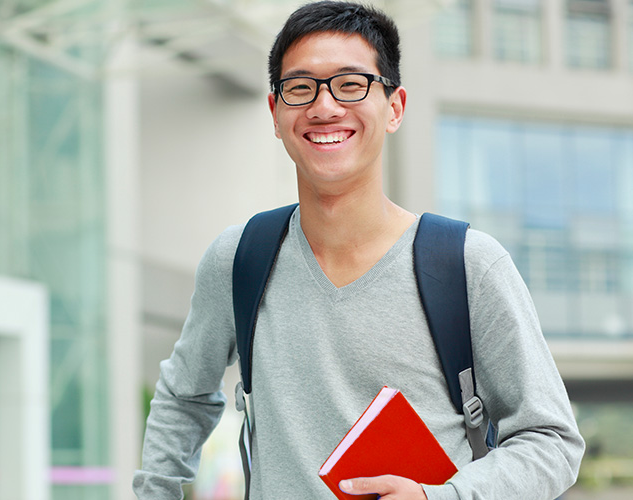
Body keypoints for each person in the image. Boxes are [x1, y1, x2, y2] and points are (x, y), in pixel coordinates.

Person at [133, 1, 585, 499]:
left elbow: (552, 441)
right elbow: (183, 397)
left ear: (394, 108)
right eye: (300, 88)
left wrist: (441, 498)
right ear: (275, 113)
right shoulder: (239, 259)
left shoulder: (466, 265)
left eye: (351, 85)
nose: (324, 107)